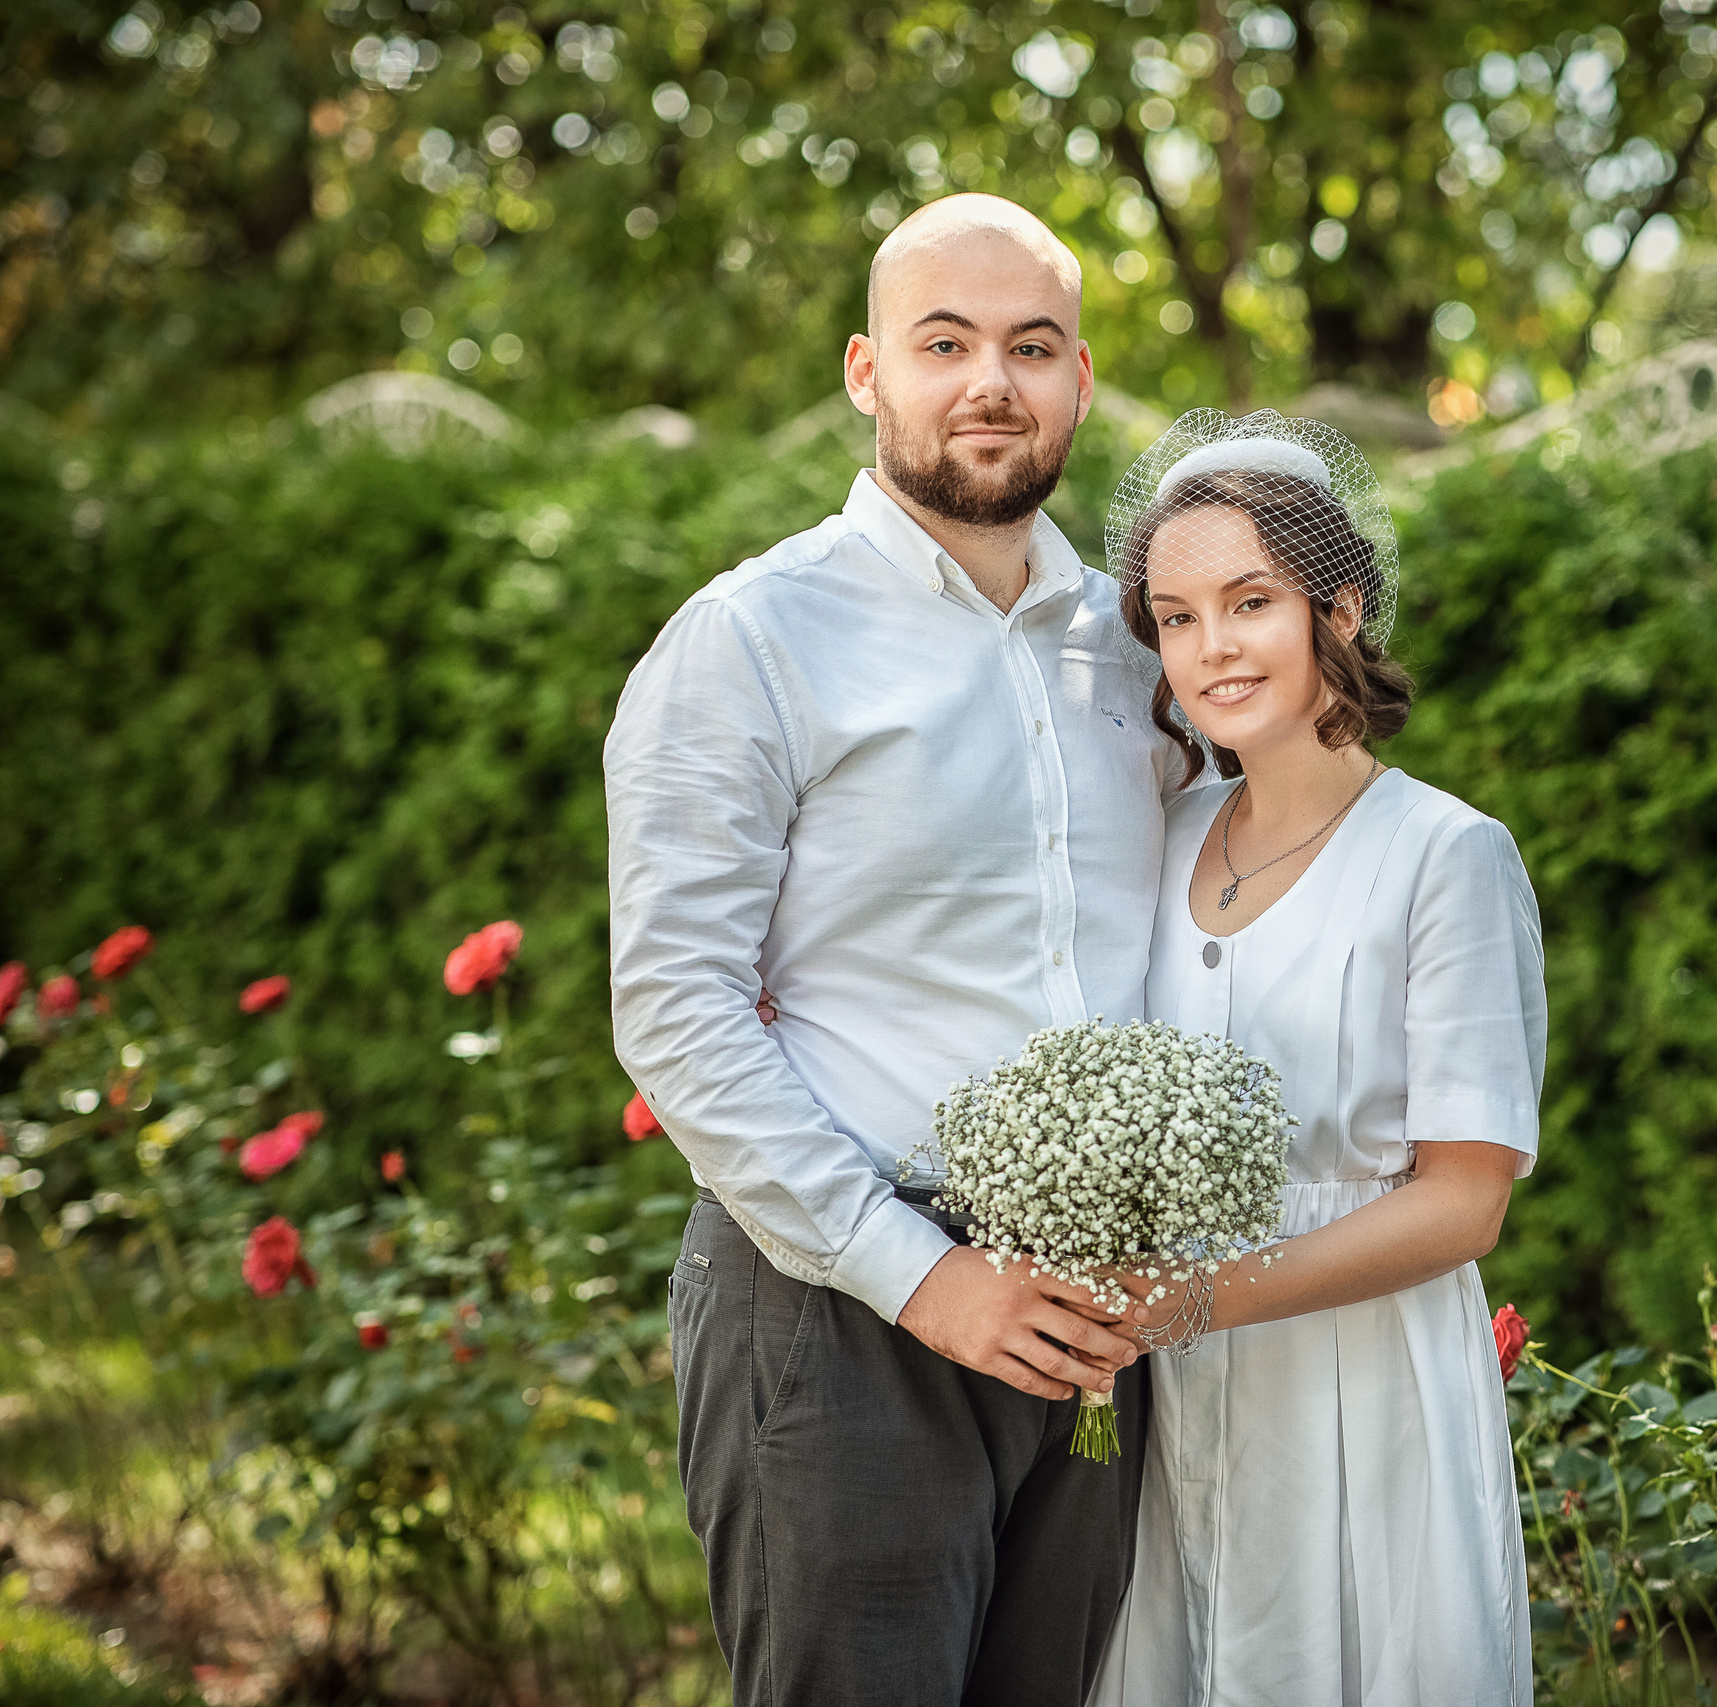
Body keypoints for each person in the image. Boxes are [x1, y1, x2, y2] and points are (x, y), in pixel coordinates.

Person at [605, 194, 1186, 1707]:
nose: (990, 382)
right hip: (840, 1305)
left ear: (1078, 380)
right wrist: (926, 1280)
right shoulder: (752, 640)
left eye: (1031, 345)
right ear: (869, 373)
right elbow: (675, 1010)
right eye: (946, 342)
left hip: (1088, 1318)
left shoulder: (1141, 647)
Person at [1087, 411, 1545, 1707]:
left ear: (1338, 608)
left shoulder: (1446, 857)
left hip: (1364, 1385)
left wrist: (1197, 1299)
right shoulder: (1161, 835)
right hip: (1173, 1403)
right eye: (1176, 618)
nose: (1212, 648)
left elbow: (1467, 1200)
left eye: (1250, 601)